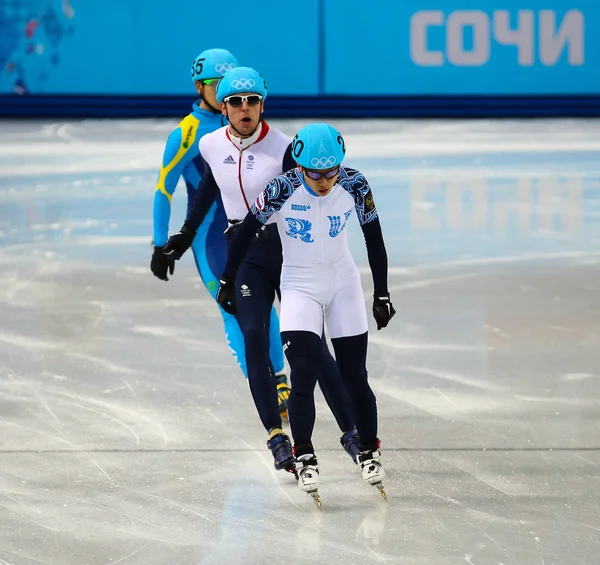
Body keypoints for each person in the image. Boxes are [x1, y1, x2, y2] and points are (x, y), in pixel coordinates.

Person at [162, 67, 360, 473]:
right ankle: (276, 438)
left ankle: (351, 433)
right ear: (224, 106)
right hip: (244, 254)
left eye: (252, 101)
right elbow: (209, 189)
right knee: (253, 337)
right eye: (236, 101)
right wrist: (184, 234)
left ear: (262, 104)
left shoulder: (286, 147)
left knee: (311, 346)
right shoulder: (211, 143)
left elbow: (316, 196)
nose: (244, 108)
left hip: (287, 251)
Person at [215, 123, 396, 505]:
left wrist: (381, 293)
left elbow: (374, 239)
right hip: (298, 285)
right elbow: (246, 231)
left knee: (355, 377)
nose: (325, 181)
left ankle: (368, 449)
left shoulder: (355, 184)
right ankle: (306, 454)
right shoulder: (281, 189)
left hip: (343, 282)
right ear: (299, 165)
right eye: (315, 173)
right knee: (303, 375)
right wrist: (228, 279)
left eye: (331, 172)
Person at [150, 48, 291, 418]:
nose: (223, 91)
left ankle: (280, 380)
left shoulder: (249, 123)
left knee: (269, 309)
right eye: (215, 84)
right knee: (235, 310)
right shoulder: (187, 133)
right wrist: (160, 242)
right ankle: (268, 383)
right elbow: (164, 189)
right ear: (199, 87)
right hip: (212, 236)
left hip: (261, 233)